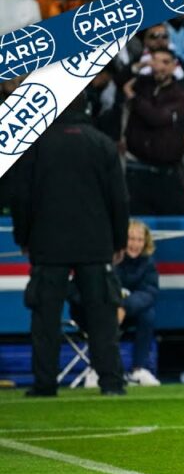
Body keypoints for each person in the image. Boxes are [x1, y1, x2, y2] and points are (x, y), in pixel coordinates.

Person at [12, 93, 129, 397]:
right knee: (102, 317)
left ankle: (45, 383)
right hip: (95, 243)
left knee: (45, 319)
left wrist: (23, 237)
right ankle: (112, 382)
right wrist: (119, 240)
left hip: (48, 243)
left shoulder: (37, 144)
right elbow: (119, 198)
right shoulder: (102, 144)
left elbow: (21, 197)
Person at [123, 49, 184, 216]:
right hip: (137, 170)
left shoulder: (181, 95)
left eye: (165, 62)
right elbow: (118, 80)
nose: (159, 66)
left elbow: (157, 117)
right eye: (155, 60)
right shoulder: (143, 84)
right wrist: (138, 66)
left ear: (174, 66)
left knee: (172, 227)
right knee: (137, 225)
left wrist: (133, 98)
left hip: (166, 174)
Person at [116, 219, 160, 387]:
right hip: (108, 310)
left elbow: (149, 293)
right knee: (103, 316)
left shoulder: (148, 263)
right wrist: (116, 306)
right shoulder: (112, 259)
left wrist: (125, 306)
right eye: (131, 239)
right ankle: (97, 370)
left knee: (148, 314)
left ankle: (138, 369)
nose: (135, 244)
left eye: (140, 240)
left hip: (130, 311)